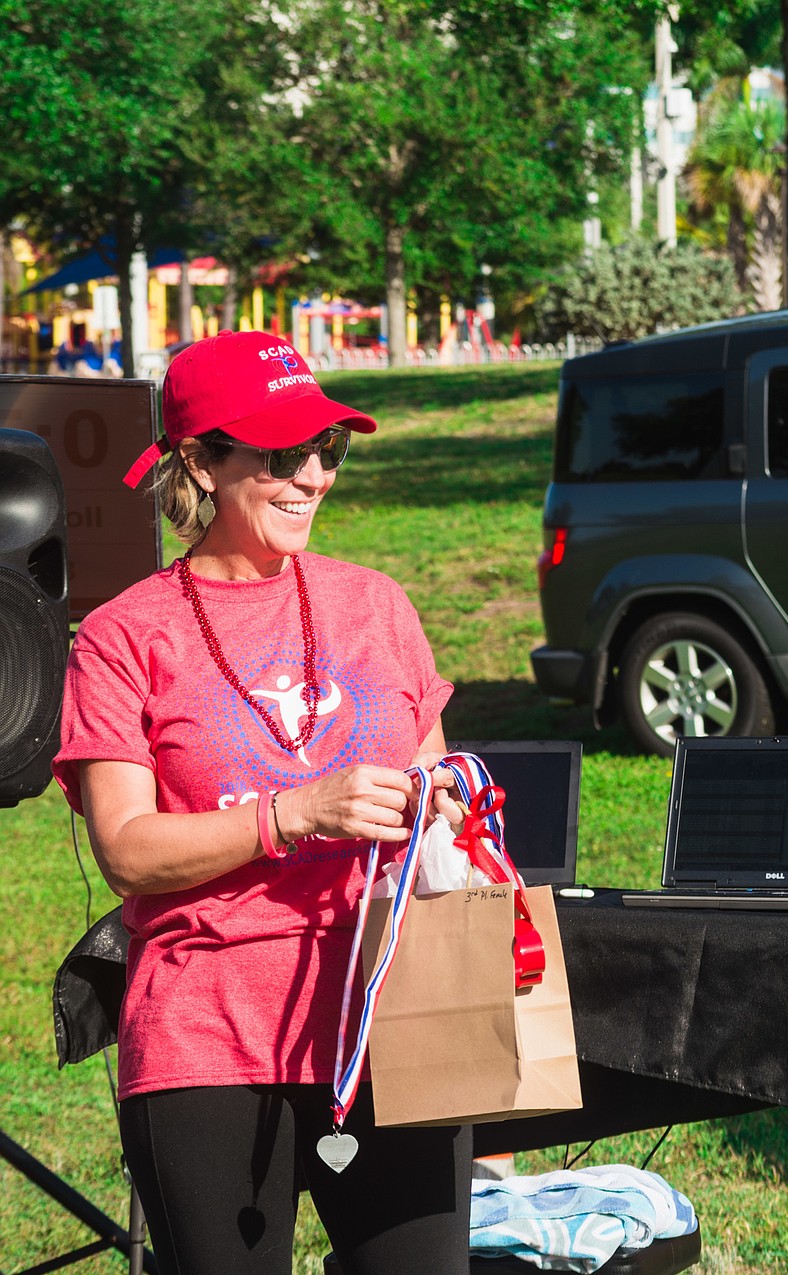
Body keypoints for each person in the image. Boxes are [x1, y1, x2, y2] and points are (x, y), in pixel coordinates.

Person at [52, 330, 471, 1275]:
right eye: (284, 454)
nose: (314, 476)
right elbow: (125, 849)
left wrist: (441, 810)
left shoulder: (376, 605)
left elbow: (431, 786)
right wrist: (293, 813)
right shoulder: (123, 637)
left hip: (393, 1017)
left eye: (331, 450)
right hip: (209, 1036)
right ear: (201, 461)